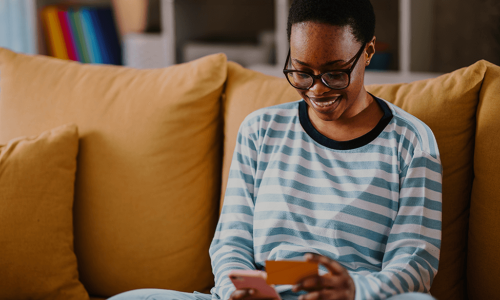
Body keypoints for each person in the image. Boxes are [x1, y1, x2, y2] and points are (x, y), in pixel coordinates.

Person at [109, 0, 442, 299]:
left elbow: (415, 263)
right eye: (301, 72)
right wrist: (238, 292)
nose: (316, 89)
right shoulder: (260, 130)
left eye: (335, 73)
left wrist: (355, 290)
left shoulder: (411, 143)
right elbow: (231, 243)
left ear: (368, 52)